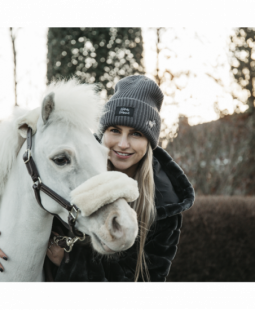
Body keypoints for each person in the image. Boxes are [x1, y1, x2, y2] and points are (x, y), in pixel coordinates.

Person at [1, 75, 195, 282]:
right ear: (102, 132)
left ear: (149, 142)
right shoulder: (75, 161)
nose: (122, 143)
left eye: (136, 133)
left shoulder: (165, 204)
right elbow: (20, 186)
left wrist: (70, 262)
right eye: (114, 130)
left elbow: (147, 278)